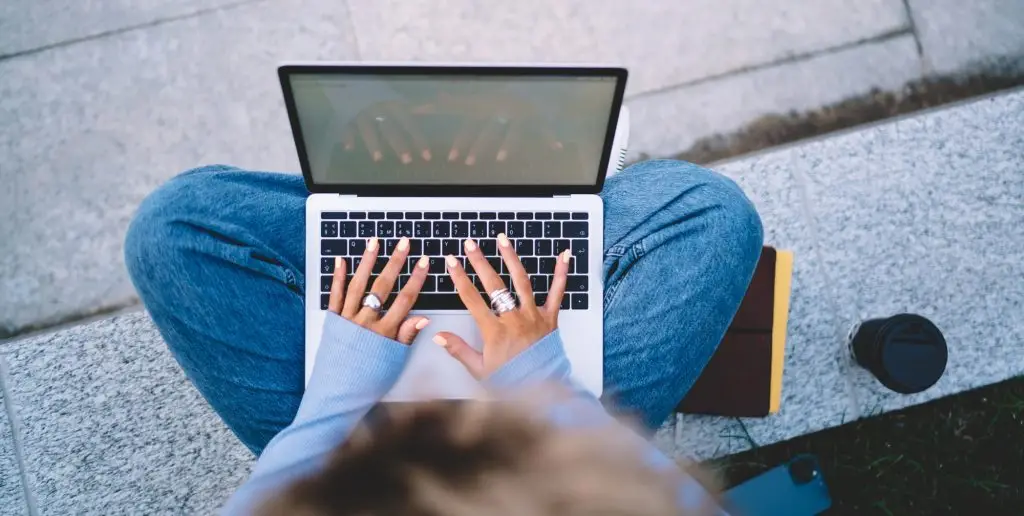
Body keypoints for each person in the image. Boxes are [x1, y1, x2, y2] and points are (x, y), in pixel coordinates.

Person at [123, 159, 763, 514]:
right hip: (556, 459)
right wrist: (543, 383)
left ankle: (434, 217)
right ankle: (510, 213)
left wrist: (340, 389)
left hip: (352, 464)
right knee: (711, 212)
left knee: (172, 229)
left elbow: (274, 503)